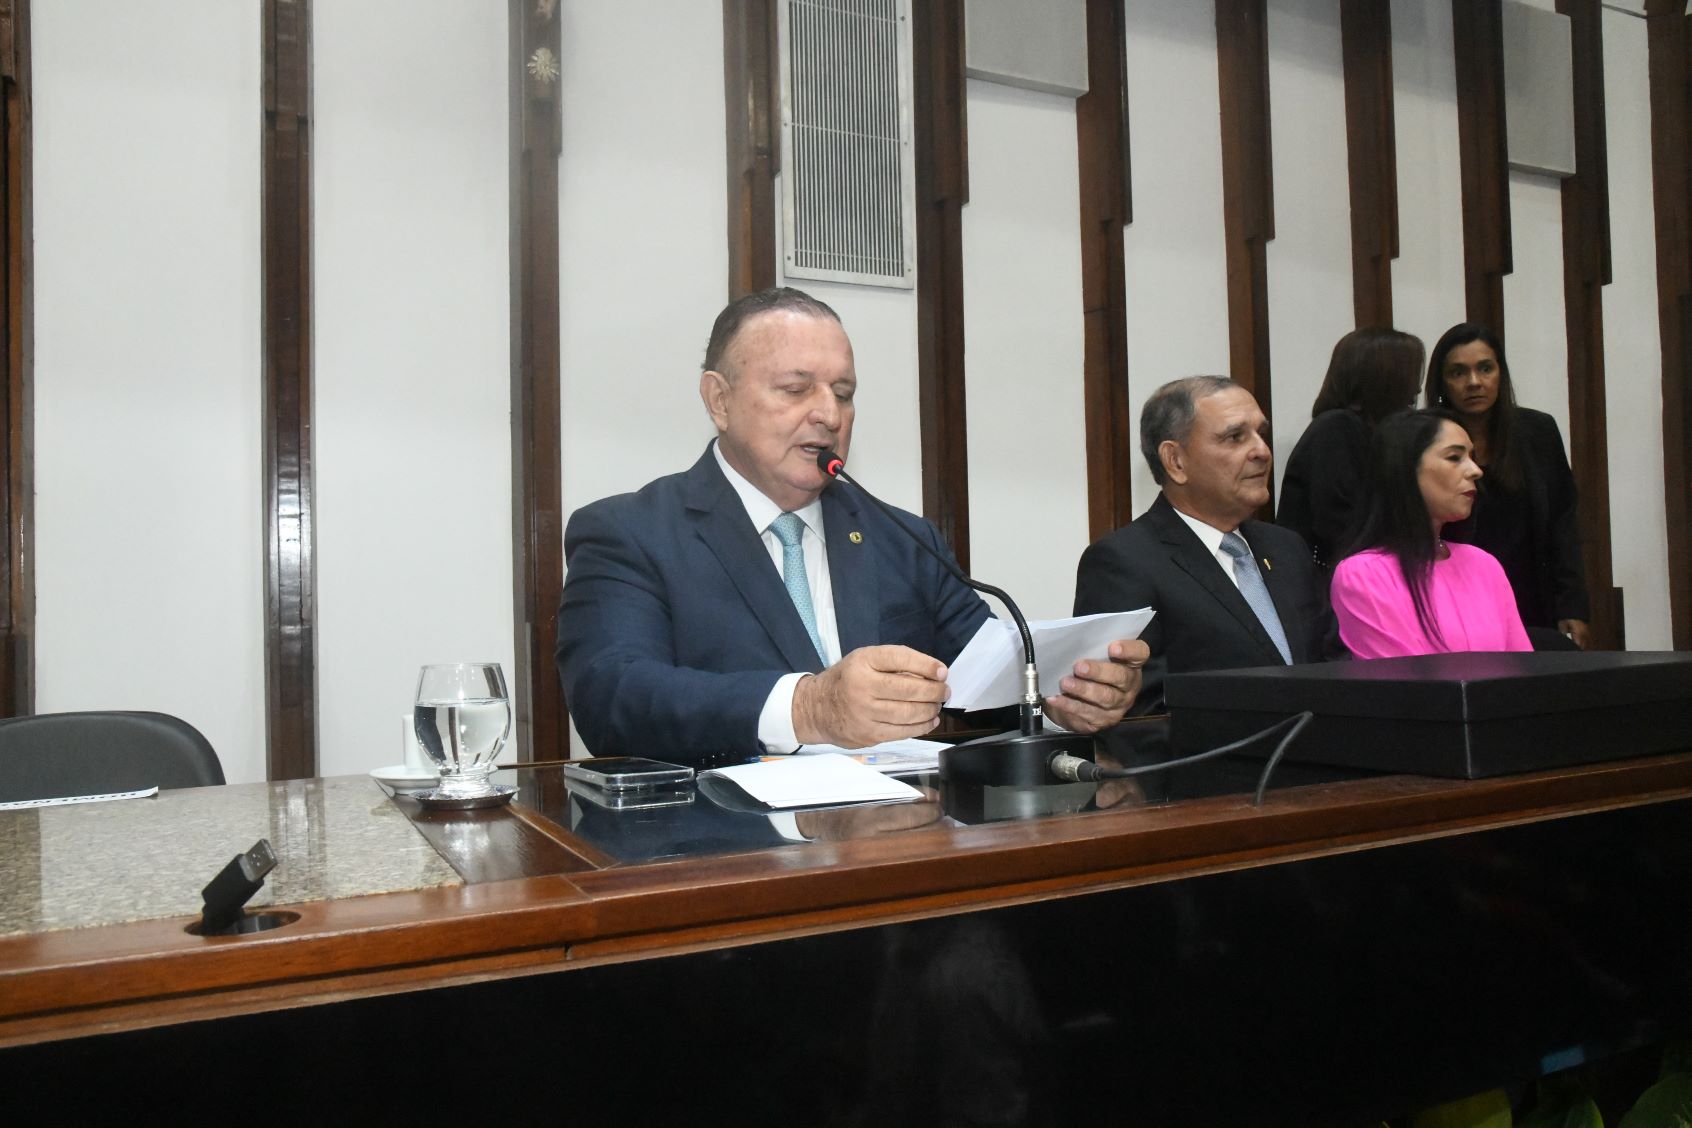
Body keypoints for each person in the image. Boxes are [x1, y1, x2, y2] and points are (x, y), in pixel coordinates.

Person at [555, 286, 1146, 761]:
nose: (829, 414)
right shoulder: (630, 532)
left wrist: (1061, 696)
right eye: (796, 389)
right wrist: (809, 707)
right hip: (723, 846)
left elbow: (985, 673)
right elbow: (613, 698)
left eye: (843, 392)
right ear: (719, 400)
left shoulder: (902, 538)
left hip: (900, 836)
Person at [1073, 376, 1334, 715]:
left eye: (1261, 433)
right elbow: (1138, 716)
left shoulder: (1287, 548)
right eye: (1235, 437)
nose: (1262, 451)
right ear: (1175, 461)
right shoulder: (1123, 563)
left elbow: (1331, 663)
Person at [1424, 322, 1590, 649]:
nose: (1474, 382)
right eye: (1458, 372)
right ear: (1442, 382)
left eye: (1485, 368)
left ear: (1501, 373)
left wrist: (1572, 604)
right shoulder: (1427, 439)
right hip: (1460, 599)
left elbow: (1563, 522)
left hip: (1533, 595)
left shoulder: (1537, 430)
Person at [1330, 409, 1531, 658]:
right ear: (1405, 469)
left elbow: (1522, 664)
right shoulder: (1363, 575)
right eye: (1454, 457)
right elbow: (1404, 678)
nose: (1476, 470)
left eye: (1472, 457)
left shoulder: (1484, 565)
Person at [1277, 327, 1424, 569]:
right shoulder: (1336, 428)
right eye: (1409, 374)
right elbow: (1341, 523)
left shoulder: (1370, 432)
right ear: (1384, 377)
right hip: (1332, 577)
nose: (1416, 389)